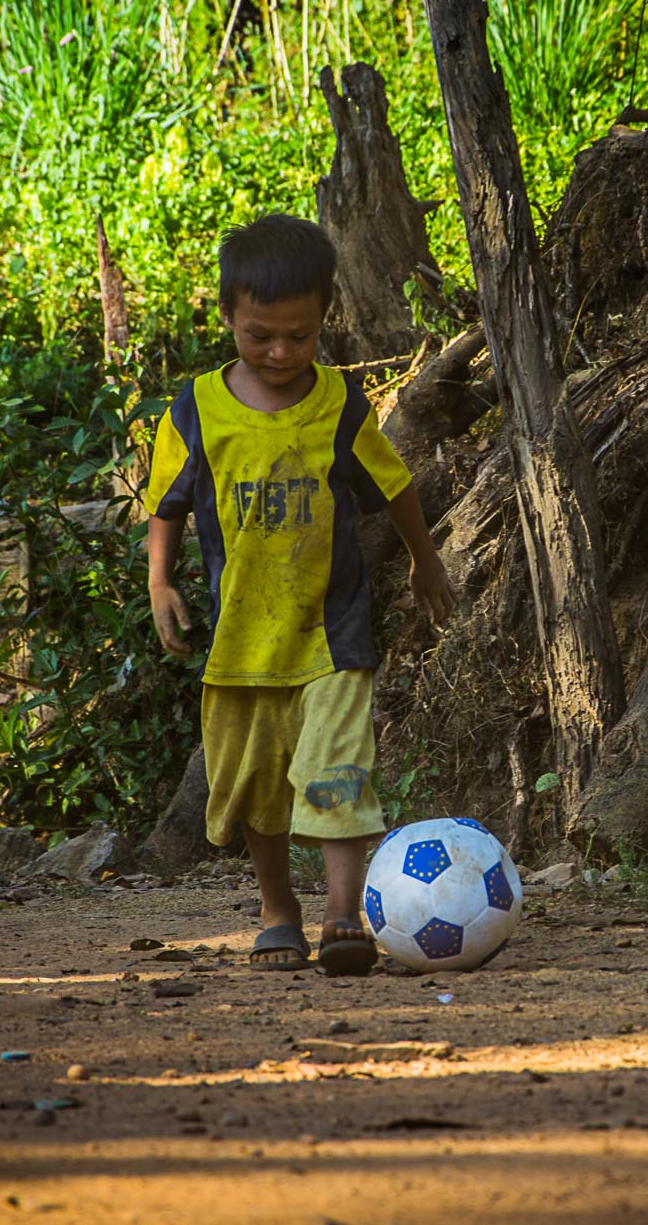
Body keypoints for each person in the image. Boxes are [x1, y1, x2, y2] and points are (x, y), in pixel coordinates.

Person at [144, 214, 457, 974]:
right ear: (228, 317)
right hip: (241, 643)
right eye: (261, 336)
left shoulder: (339, 404)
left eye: (300, 335)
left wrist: (426, 562)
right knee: (257, 790)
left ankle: (343, 917)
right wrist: (160, 580)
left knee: (338, 772)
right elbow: (167, 504)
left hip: (332, 633)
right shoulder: (195, 409)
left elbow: (394, 485)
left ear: (324, 320)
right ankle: (277, 909)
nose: (281, 352)